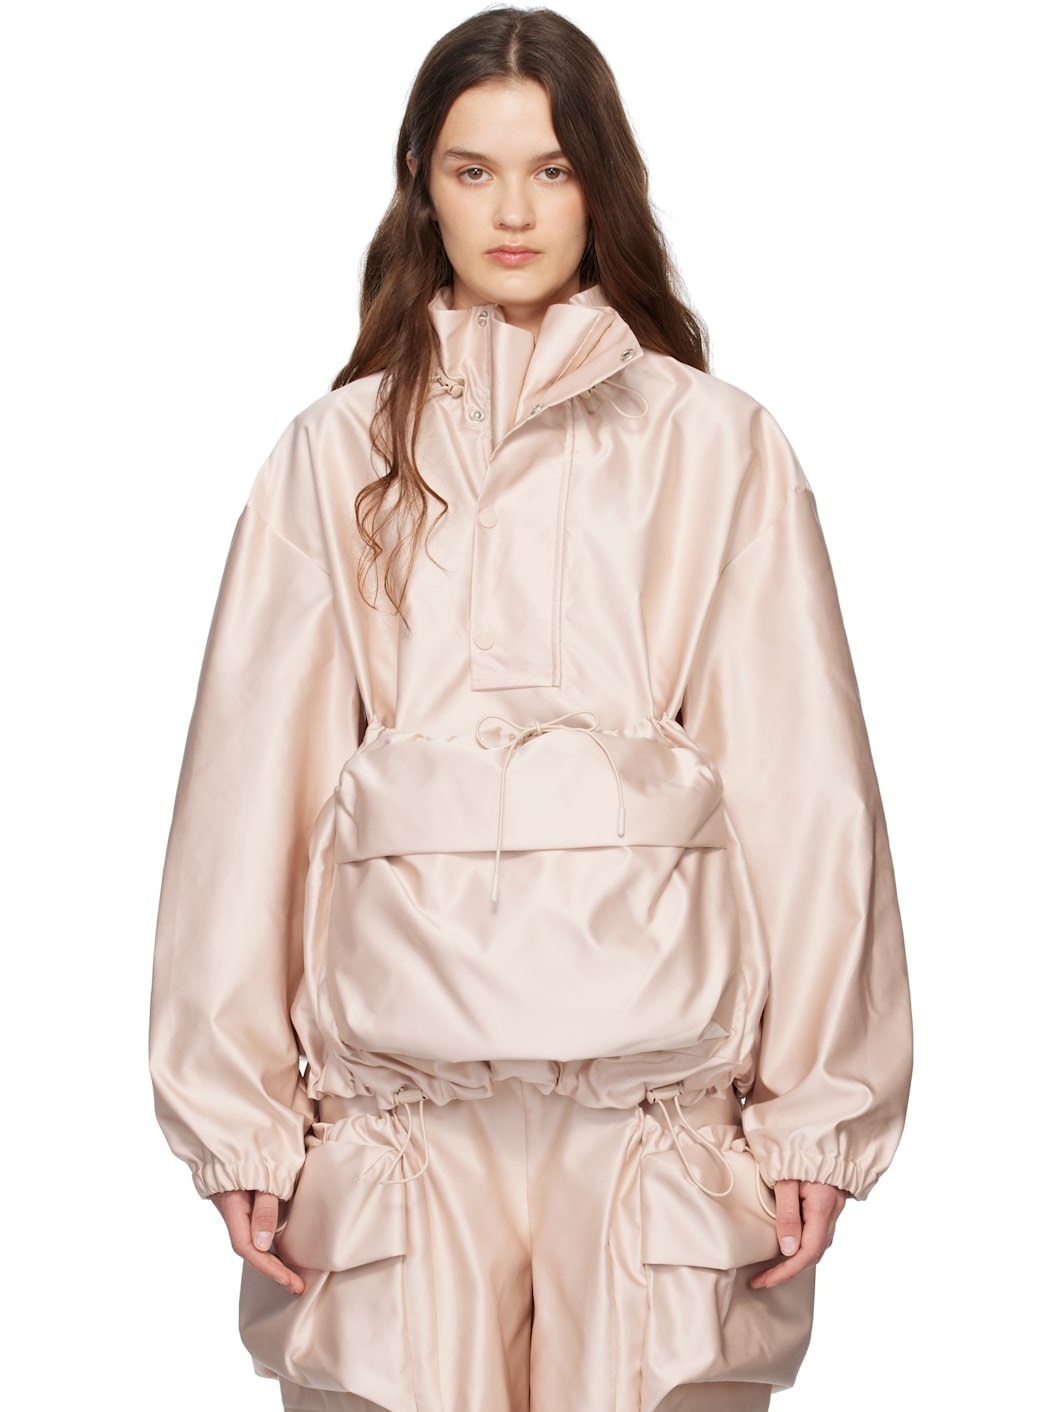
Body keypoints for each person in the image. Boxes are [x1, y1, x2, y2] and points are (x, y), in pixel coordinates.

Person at [149, 8, 913, 1411]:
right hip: (400, 1121)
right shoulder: (334, 456)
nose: (513, 212)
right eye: (474, 170)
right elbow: (250, 791)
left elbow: (805, 784)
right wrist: (236, 1120)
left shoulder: (717, 446)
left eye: (552, 171)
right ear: (421, 184)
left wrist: (823, 1107)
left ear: (602, 183)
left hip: (652, 1116)